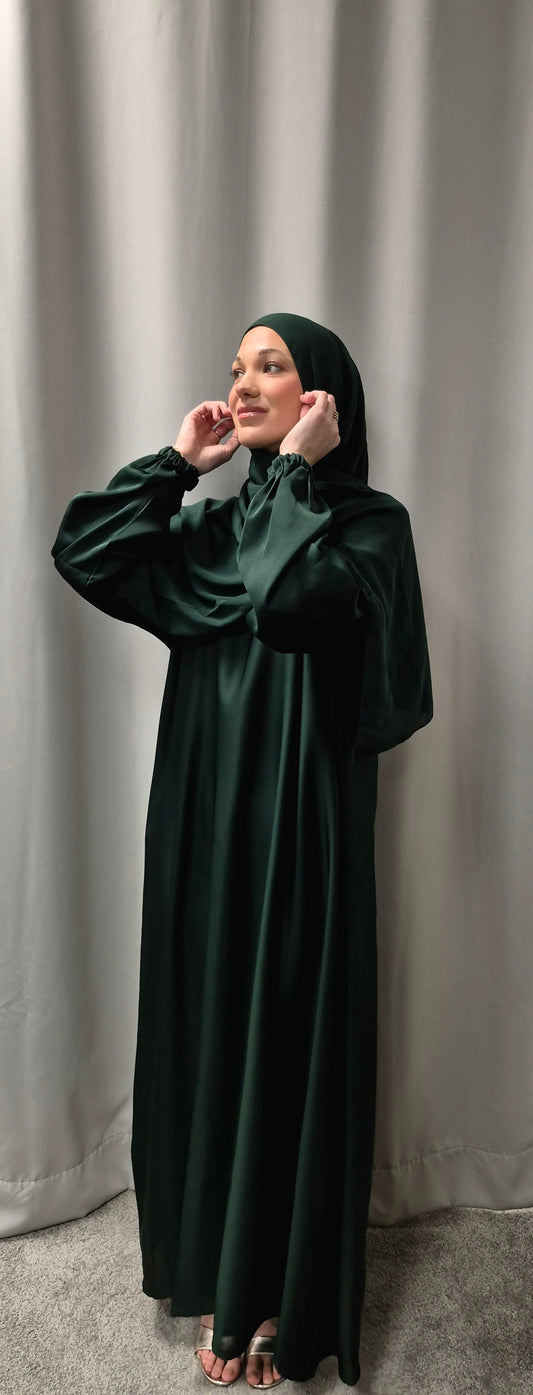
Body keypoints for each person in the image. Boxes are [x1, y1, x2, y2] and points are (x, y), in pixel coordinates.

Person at [51, 311, 433, 1389]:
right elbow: (84, 548)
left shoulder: (368, 527)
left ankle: (282, 1297)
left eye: (271, 365)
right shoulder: (212, 527)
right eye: (235, 368)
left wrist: (300, 478)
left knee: (287, 1039)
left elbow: (281, 602)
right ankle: (222, 1267)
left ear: (323, 397)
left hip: (299, 830)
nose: (245, 382)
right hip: (203, 820)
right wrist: (180, 464)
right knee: (207, 1028)